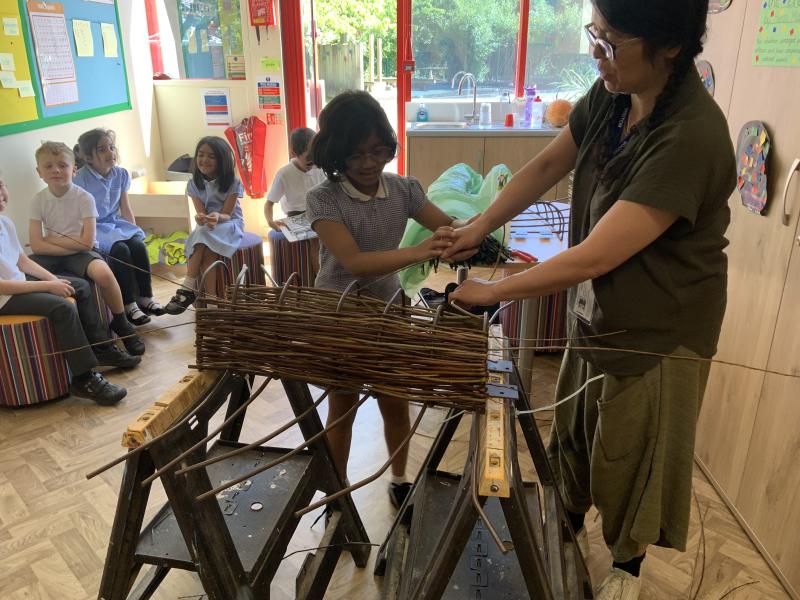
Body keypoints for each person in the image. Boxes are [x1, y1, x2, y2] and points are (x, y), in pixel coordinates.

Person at [445, 1, 735, 597]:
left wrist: (493, 291)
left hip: (660, 329)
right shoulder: (614, 94)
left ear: (669, 46)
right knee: (576, 433)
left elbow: (596, 256)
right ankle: (565, 524)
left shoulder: (691, 136)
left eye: (610, 42)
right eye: (594, 35)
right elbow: (547, 164)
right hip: (599, 310)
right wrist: (480, 225)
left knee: (633, 457)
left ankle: (627, 568)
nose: (596, 54)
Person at [306, 90, 459, 508]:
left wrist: (479, 227)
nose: (369, 163)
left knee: (395, 400)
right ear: (335, 154)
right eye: (356, 155)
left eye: (377, 151)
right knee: (342, 408)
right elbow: (355, 262)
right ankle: (336, 493)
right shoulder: (323, 199)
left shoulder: (404, 189)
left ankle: (399, 479)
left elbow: (448, 225)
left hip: (388, 309)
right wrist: (421, 251)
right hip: (339, 312)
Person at [0, 176, 136, 406]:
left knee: (78, 286)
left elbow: (22, 261)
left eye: (0, 185)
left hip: (17, 285)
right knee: (62, 307)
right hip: (4, 298)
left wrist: (54, 279)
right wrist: (48, 286)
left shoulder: (5, 222)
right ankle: (84, 378)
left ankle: (101, 347)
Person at [28, 142, 146, 357]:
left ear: (74, 170)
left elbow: (87, 243)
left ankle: (121, 322)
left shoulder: (84, 198)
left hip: (81, 253)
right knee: (25, 271)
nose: (56, 170)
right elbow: (36, 245)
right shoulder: (38, 200)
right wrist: (60, 244)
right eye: (49, 166)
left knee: (104, 274)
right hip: (51, 254)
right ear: (39, 172)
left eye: (62, 165)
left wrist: (51, 239)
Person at [73, 128, 164, 326]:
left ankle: (146, 297)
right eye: (102, 149)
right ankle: (129, 304)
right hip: (95, 226)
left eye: (111, 147)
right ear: (88, 157)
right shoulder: (80, 179)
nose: (110, 152)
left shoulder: (121, 174)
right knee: (120, 250)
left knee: (138, 245)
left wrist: (134, 231)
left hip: (115, 223)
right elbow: (77, 215)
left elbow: (125, 207)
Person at [164, 136, 244, 314]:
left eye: (211, 156)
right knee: (206, 248)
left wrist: (217, 217)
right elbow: (200, 214)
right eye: (200, 155)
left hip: (230, 223)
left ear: (222, 160)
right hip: (208, 228)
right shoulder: (193, 184)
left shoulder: (233, 182)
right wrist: (201, 218)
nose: (204, 160)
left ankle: (187, 288)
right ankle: (212, 303)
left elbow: (227, 214)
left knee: (202, 235)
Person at [265, 127, 326, 278]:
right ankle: (321, 280)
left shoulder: (319, 167)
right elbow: (269, 203)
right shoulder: (284, 173)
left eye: (315, 155)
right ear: (293, 153)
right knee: (315, 239)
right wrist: (270, 221)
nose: (313, 161)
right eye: (308, 158)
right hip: (296, 215)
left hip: (318, 211)